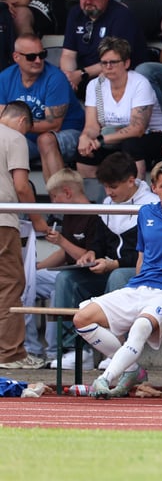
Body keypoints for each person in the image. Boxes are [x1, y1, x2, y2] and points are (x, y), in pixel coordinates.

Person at [72, 160, 162, 398]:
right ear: (153, 188)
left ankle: (104, 378)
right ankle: (133, 370)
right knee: (82, 318)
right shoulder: (146, 212)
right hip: (140, 286)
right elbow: (141, 258)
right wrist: (135, 288)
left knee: (140, 326)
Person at [48, 152, 159, 370]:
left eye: (113, 187)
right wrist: (92, 254)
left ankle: (118, 349)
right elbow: (100, 243)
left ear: (131, 180)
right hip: (112, 270)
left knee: (117, 276)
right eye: (105, 187)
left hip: (143, 275)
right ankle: (75, 350)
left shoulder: (152, 206)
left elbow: (149, 253)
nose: (108, 192)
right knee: (67, 279)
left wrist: (114, 264)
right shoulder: (107, 203)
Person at [30, 170, 101, 366]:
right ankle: (29, 348)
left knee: (61, 285)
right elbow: (65, 253)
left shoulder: (94, 216)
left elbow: (88, 257)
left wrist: (61, 240)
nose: (53, 203)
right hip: (67, 271)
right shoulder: (70, 215)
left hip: (85, 275)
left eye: (54, 196)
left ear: (67, 193)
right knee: (26, 280)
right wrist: (38, 267)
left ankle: (56, 351)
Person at [75, 36, 162, 180]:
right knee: (84, 151)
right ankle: (99, 197)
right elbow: (92, 125)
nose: (108, 67)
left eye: (113, 62)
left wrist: (102, 140)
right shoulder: (94, 85)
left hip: (152, 135)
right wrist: (85, 138)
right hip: (112, 136)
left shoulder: (139, 83)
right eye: (104, 63)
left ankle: (137, 194)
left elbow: (138, 128)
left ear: (126, 63)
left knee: (131, 145)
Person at [0, 34, 86, 183]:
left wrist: (19, 126)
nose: (38, 60)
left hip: (69, 134)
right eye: (31, 57)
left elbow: (54, 124)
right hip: (27, 138)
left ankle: (58, 202)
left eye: (42, 55)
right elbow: (3, 117)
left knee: (45, 139)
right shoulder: (5, 78)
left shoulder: (55, 77)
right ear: (16, 57)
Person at [0, 102, 46, 369]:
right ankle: (10, 354)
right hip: (3, 221)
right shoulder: (15, 137)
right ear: (22, 122)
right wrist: (39, 221)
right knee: (9, 284)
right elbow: (22, 186)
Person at [60, 0, 149, 95]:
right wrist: (69, 77)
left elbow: (114, 60)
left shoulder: (122, 16)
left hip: (115, 73)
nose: (88, 1)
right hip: (83, 76)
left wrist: (80, 74)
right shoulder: (75, 13)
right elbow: (68, 54)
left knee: (107, 76)